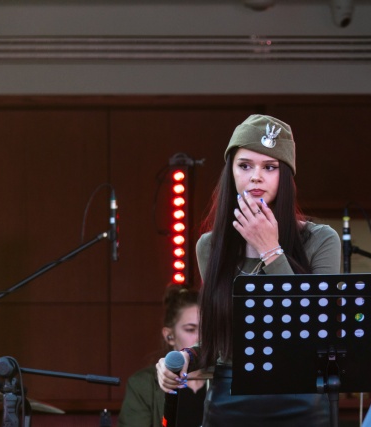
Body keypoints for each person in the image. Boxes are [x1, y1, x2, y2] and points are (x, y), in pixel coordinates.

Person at [155, 114, 341, 426]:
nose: (256, 177)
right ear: (231, 172)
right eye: (245, 166)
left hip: (300, 395)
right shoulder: (210, 246)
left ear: (285, 175)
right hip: (229, 396)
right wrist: (187, 358)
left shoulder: (320, 240)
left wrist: (271, 250)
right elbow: (223, 342)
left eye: (269, 167)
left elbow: (315, 329)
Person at [119, 285, 206, 427]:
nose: (200, 338)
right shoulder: (143, 384)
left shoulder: (224, 379)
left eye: (206, 329)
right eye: (191, 329)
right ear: (169, 336)